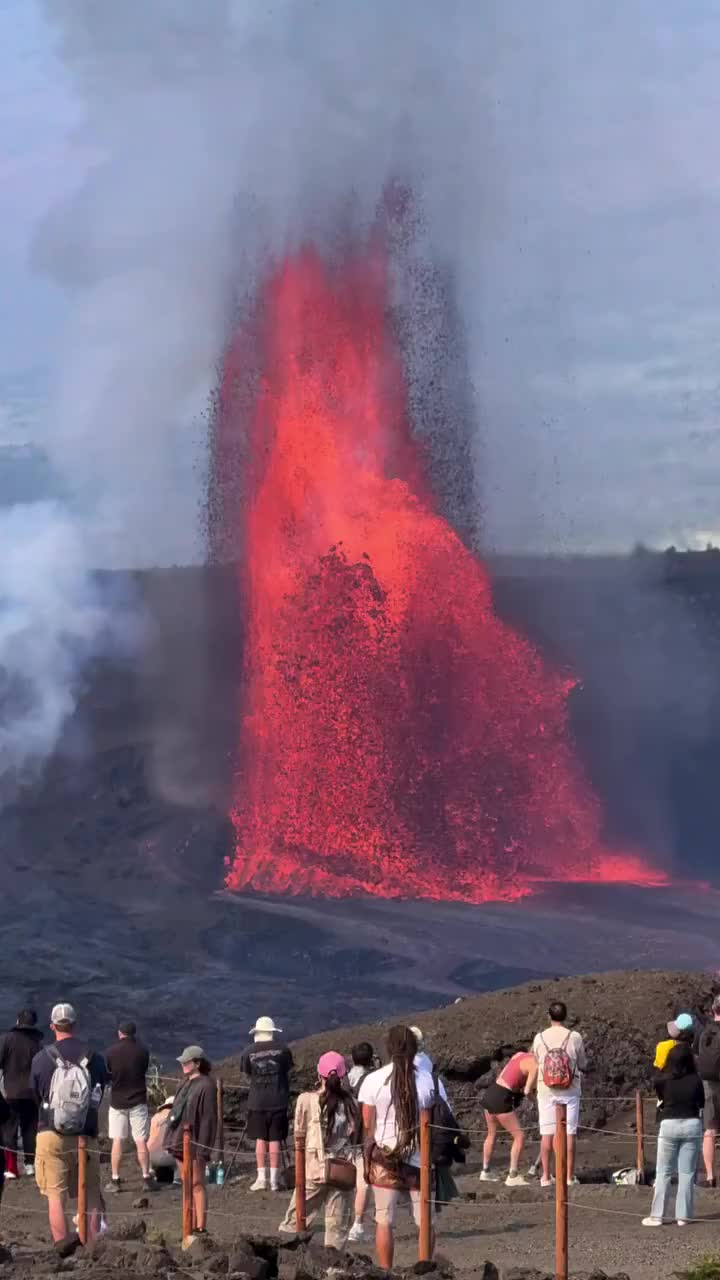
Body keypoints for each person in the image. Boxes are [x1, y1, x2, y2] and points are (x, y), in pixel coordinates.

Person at [30, 1002, 106, 1255]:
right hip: (87, 1133)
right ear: (75, 1024)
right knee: (92, 1193)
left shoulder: (42, 1058)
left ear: (53, 1026)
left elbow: (36, 1093)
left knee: (56, 1195)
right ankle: (92, 1246)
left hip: (51, 1132)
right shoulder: (95, 1058)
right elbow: (99, 1093)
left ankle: (62, 1249)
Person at [359, 1025, 437, 1270]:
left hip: (384, 1156)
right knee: (425, 1221)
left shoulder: (373, 1080)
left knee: (384, 1220)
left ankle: (386, 1272)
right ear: (415, 1048)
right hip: (418, 1158)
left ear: (388, 1048)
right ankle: (425, 1269)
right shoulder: (425, 1079)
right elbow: (430, 1119)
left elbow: (367, 1123)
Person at [279, 1051, 358, 1246]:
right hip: (341, 1170)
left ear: (319, 1075)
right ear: (343, 1076)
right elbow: (354, 1137)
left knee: (293, 1222)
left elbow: (299, 1132)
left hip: (313, 1169)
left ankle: (290, 1262)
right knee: (337, 1230)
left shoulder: (306, 1100)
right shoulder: (351, 1104)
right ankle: (332, 1272)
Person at [643, 1043, 704, 1227]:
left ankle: (657, 1216)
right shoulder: (696, 1080)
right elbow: (701, 1103)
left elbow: (661, 1100)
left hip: (669, 1123)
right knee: (687, 1172)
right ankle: (683, 1216)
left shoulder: (662, 1080)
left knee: (664, 1172)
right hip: (692, 1124)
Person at [532, 1002, 587, 1188]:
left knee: (547, 1134)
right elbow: (582, 1063)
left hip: (546, 1090)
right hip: (570, 1090)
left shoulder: (539, 1038)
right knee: (569, 1134)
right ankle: (569, 1177)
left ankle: (546, 1177)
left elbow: (537, 1061)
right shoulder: (575, 1037)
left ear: (549, 1016)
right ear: (565, 1016)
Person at [165, 1047, 217, 1236]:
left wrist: (204, 1148)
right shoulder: (183, 1083)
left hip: (196, 1142)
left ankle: (201, 1227)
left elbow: (209, 1119)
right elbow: (175, 1112)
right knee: (187, 1183)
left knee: (197, 1184)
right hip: (180, 1140)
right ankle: (190, 1224)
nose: (183, 1065)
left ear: (198, 1063)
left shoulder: (207, 1085)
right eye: (183, 1062)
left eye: (187, 1062)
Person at [240, 1016, 293, 1192]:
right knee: (275, 1139)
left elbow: (247, 1074)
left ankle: (261, 1178)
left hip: (257, 1101)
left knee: (260, 1139)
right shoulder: (283, 1050)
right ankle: (275, 1180)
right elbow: (288, 1070)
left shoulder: (248, 1052)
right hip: (279, 1100)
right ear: (272, 1032)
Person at [104, 1020, 152, 1194]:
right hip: (138, 1100)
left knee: (117, 1141)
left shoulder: (110, 1052)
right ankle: (146, 1177)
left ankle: (115, 1179)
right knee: (141, 1141)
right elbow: (144, 1070)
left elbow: (108, 1072)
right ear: (134, 1034)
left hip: (118, 1101)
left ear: (120, 1033)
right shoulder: (143, 1051)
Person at [481, 1049, 537, 1186]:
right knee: (519, 1136)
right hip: (502, 1097)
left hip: (491, 1092)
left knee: (491, 1134)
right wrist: (536, 1101)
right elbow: (527, 1090)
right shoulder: (535, 1064)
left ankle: (485, 1171)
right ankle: (513, 1175)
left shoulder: (519, 1055)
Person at [0, 1009, 43, 1178]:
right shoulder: (38, 1044)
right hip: (32, 1093)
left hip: (10, 1092)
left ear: (18, 1021)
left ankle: (11, 1168)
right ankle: (30, 1164)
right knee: (30, 1130)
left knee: (8, 1129)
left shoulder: (6, 1039)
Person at [347, 1042, 375, 1243]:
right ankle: (357, 1225)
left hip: (343, 1136)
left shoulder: (345, 1079)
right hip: (364, 1136)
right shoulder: (372, 1080)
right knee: (363, 1182)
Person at [696, 998, 720, 1187]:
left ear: (713, 1011)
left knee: (709, 1131)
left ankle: (710, 1176)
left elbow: (697, 1054)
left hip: (707, 1084)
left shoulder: (704, 1032)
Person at [148, 1096, 179, 1185]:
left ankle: (150, 1172)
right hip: (170, 1156)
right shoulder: (178, 1117)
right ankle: (178, 1178)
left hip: (150, 1156)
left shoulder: (155, 1117)